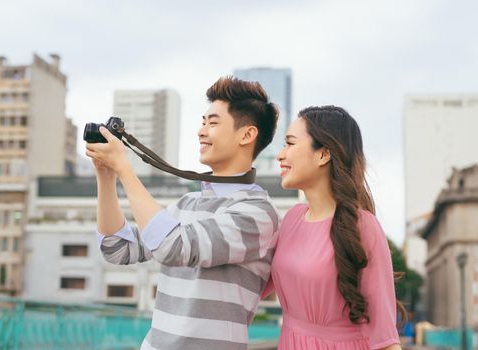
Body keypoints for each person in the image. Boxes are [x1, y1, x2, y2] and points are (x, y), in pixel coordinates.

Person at [85, 76, 280, 350]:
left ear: (247, 135)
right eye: (203, 122)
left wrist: (124, 169)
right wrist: (105, 175)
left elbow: (173, 247)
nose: (201, 131)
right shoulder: (187, 203)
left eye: (213, 123)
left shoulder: (257, 213)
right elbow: (116, 248)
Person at [264, 106, 402, 349]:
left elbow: (385, 337)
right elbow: (250, 285)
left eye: (290, 143)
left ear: (323, 154)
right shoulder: (290, 220)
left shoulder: (364, 227)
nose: (280, 155)